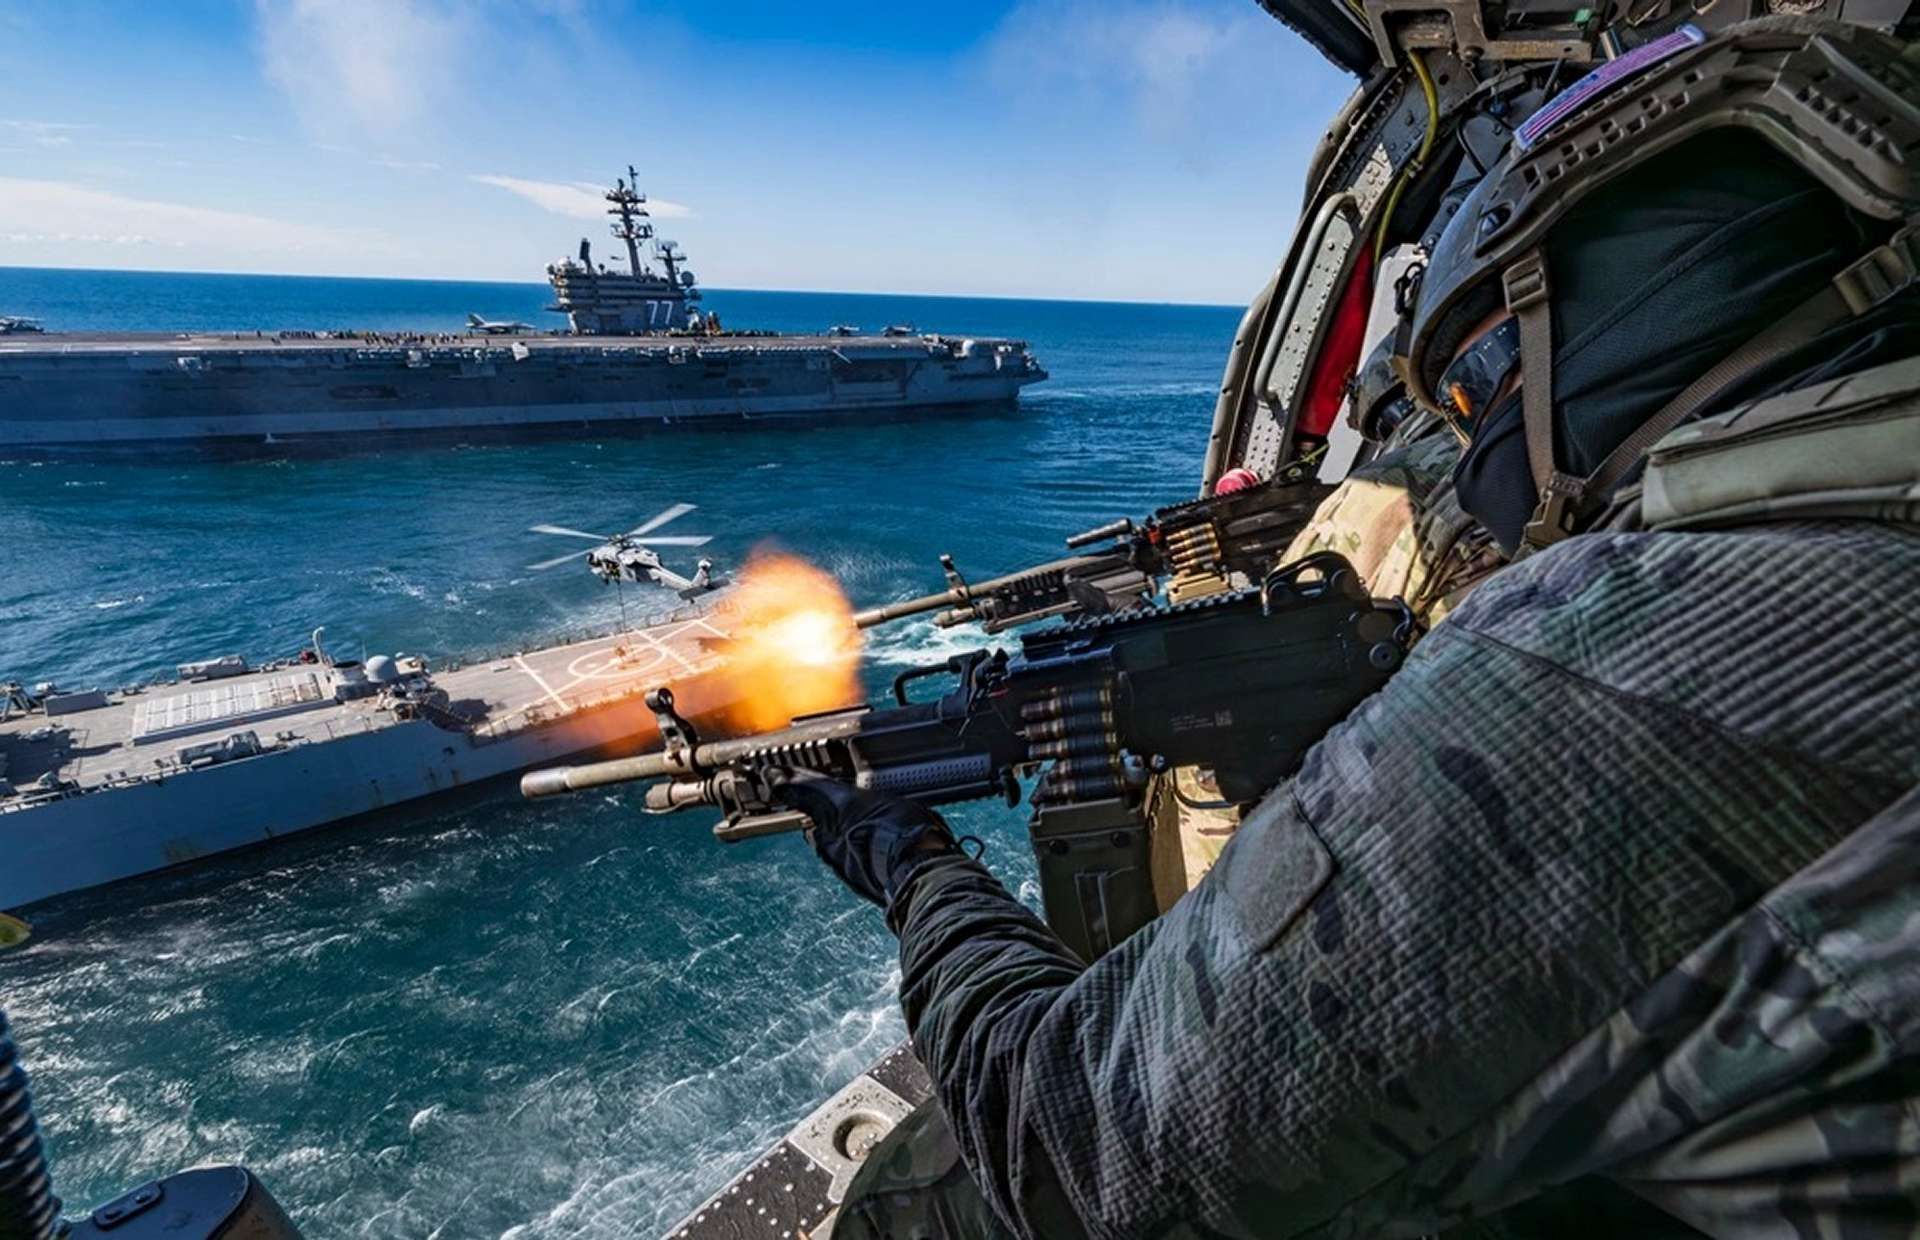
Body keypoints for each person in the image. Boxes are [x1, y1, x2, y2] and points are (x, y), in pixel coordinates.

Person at [775, 20, 1920, 1239]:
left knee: (917, 1193)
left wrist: (913, 865)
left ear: (1640, 313)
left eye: (1482, 382)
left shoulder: (1651, 649)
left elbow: (1073, 1145)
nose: (1473, 435)